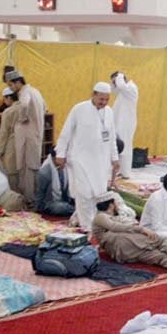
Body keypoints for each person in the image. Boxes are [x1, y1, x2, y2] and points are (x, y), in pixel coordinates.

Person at [55, 82, 120, 231]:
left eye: (106, 100)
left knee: (97, 193)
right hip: (79, 158)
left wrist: (115, 158)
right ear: (93, 94)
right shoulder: (79, 109)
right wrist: (60, 153)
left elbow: (112, 137)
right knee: (83, 193)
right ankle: (87, 226)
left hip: (100, 160)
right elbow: (66, 132)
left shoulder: (109, 112)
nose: (103, 103)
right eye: (101, 99)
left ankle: (85, 219)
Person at [92, 192, 167, 274]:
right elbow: (116, 227)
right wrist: (141, 229)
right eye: (116, 203)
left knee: (155, 256)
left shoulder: (110, 217)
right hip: (121, 242)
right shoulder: (101, 216)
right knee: (161, 239)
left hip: (125, 250)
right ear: (111, 204)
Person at [5, 70, 46, 203]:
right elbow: (45, 108)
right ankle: (34, 199)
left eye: (11, 85)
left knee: (27, 169)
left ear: (18, 82)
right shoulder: (36, 91)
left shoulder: (25, 93)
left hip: (27, 136)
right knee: (33, 167)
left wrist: (22, 118)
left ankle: (28, 200)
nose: (11, 89)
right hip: (36, 135)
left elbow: (24, 104)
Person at [110, 71, 139, 179]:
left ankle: (125, 172)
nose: (115, 84)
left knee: (125, 147)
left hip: (126, 123)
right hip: (119, 122)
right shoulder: (123, 91)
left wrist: (119, 76)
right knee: (117, 145)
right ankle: (119, 170)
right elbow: (113, 90)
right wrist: (114, 82)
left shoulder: (131, 88)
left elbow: (121, 85)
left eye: (115, 81)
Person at [35, 149, 74, 216]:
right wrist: (37, 210)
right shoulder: (44, 172)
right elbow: (39, 193)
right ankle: (77, 210)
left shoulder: (66, 167)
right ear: (54, 158)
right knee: (60, 207)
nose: (65, 160)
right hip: (51, 202)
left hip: (66, 199)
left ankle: (77, 210)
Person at [0, 87, 20, 189]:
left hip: (13, 146)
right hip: (28, 147)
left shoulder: (8, 112)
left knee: (12, 175)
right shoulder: (28, 108)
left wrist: (1, 151)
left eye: (4, 99)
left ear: (9, 97)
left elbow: (4, 133)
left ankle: (17, 201)